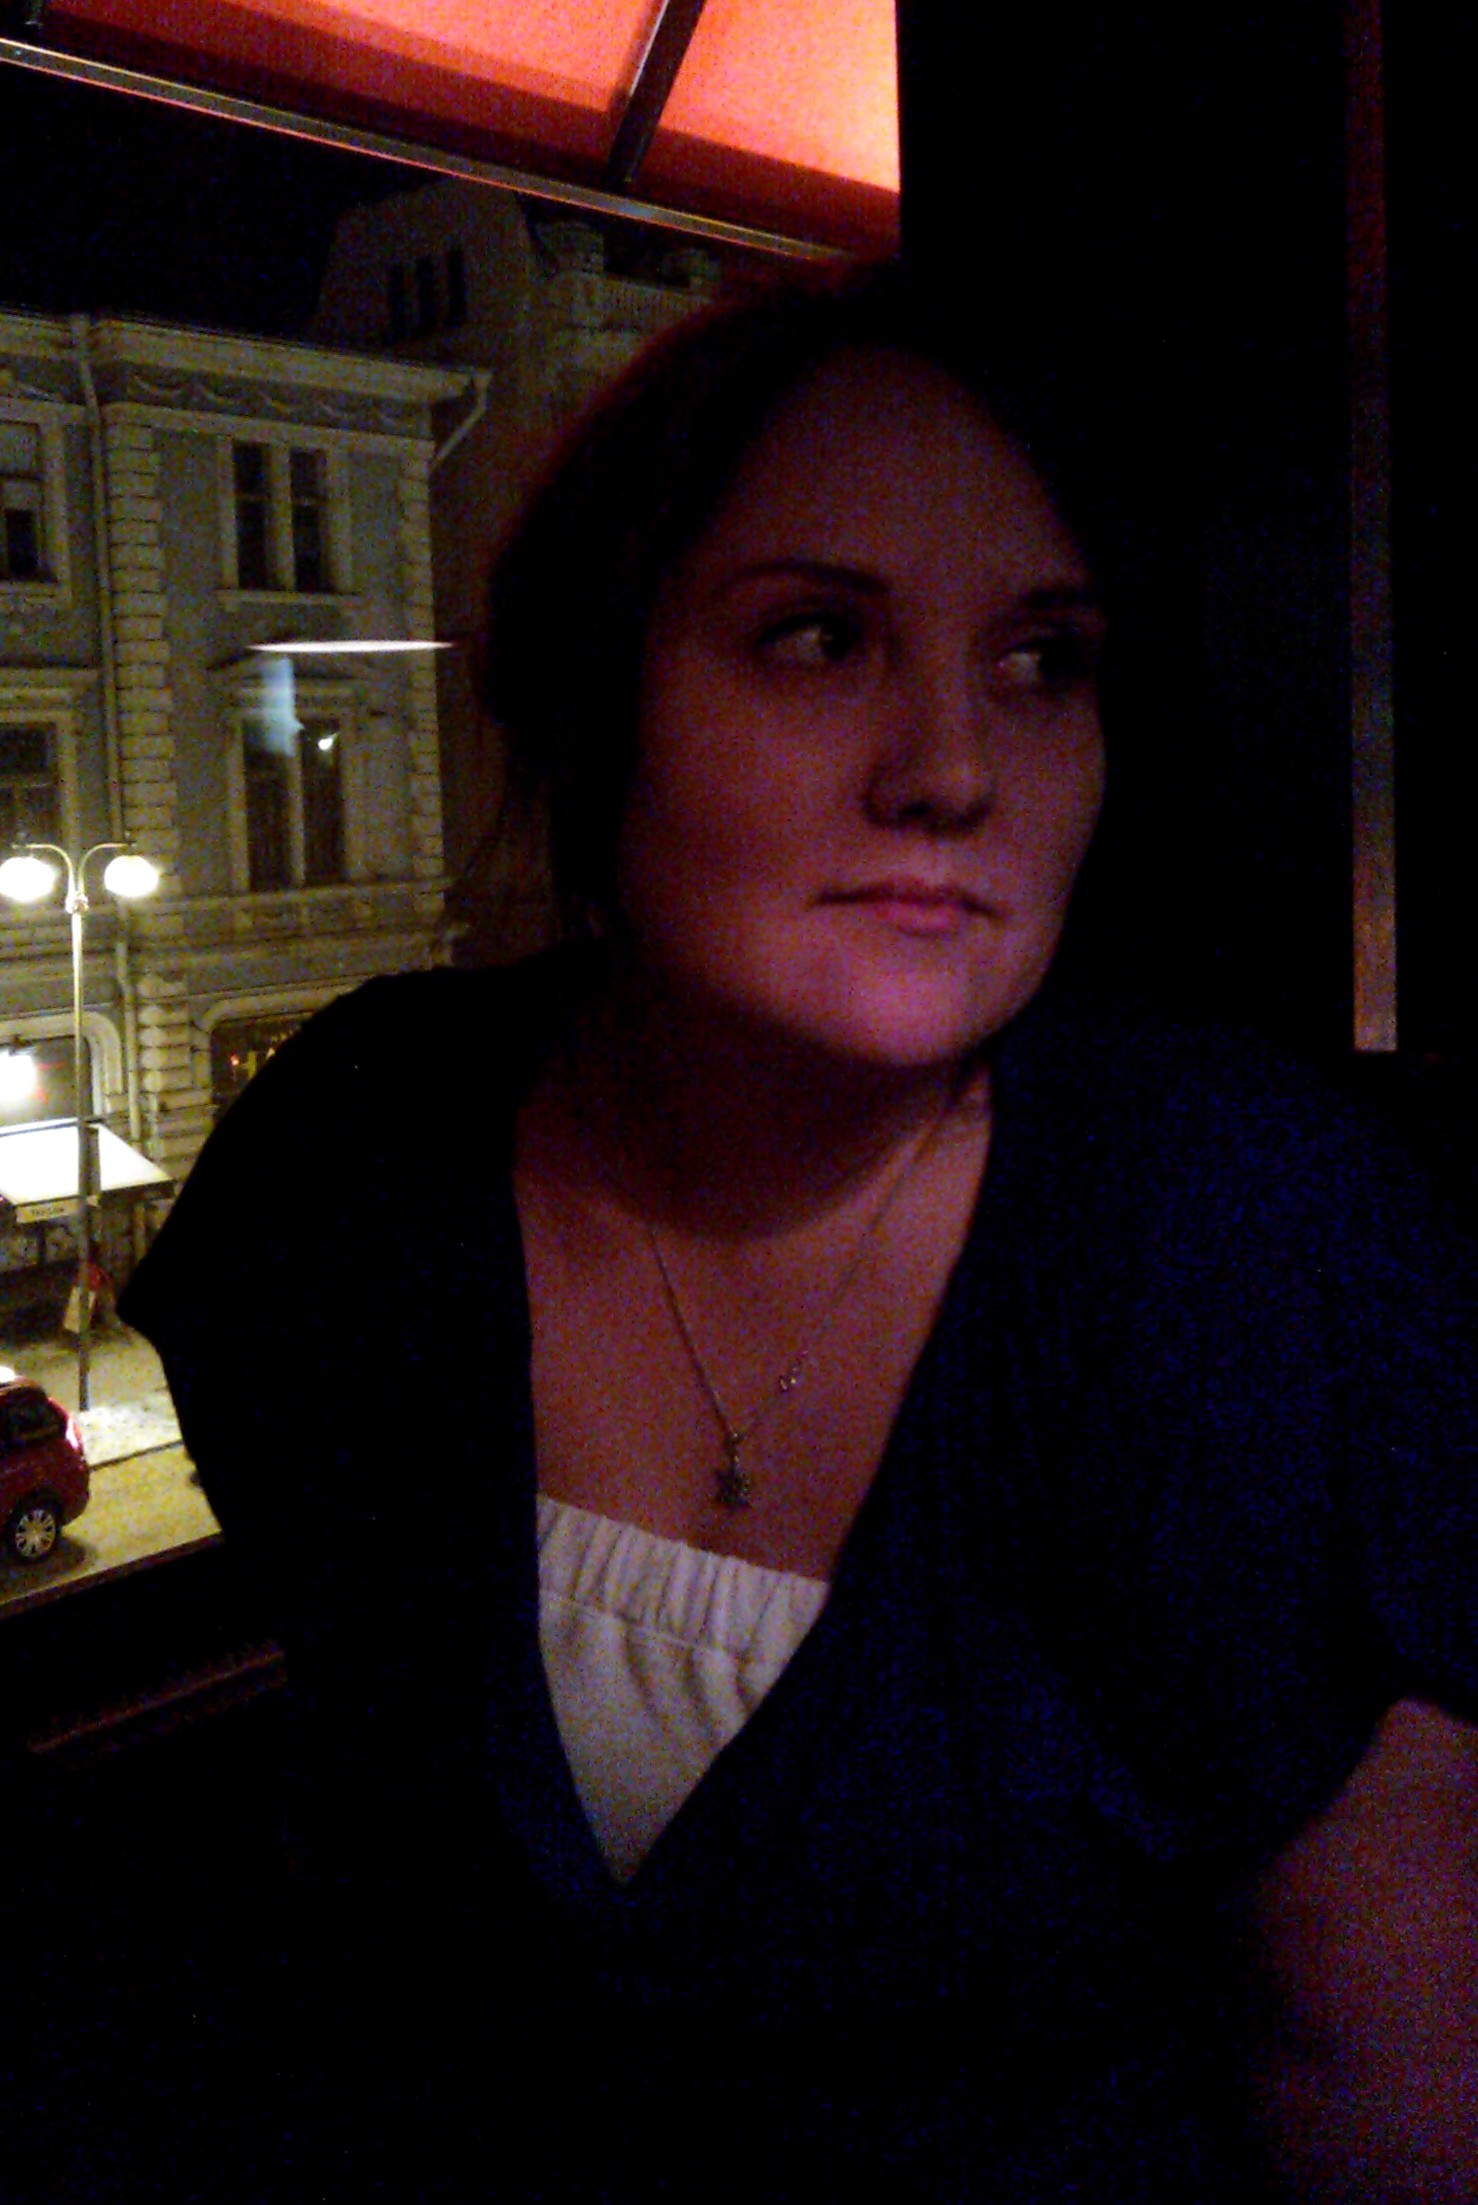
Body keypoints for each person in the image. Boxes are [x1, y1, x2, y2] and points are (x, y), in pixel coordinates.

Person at [121, 268, 1478, 2202]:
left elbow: (1375, 2074)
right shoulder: (360, 1160)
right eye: (818, 637)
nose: (952, 767)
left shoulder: (1242, 1243)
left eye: (1042, 661)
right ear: (594, 690)